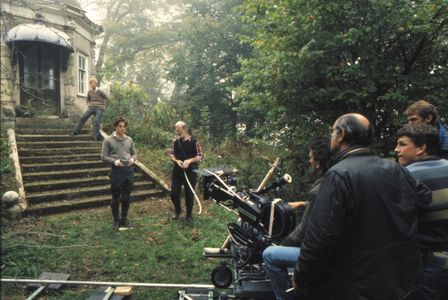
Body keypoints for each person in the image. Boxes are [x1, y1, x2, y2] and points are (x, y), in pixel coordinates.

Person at [293, 113, 431, 300]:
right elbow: (423, 197)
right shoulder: (395, 168)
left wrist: (301, 275)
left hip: (358, 284)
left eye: (332, 131)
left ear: (340, 134)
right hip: (401, 279)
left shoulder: (339, 175)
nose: (331, 136)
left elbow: (320, 238)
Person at [262, 138, 331, 300]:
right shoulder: (332, 179)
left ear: (318, 162)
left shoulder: (319, 189)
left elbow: (302, 232)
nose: (309, 160)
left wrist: (281, 244)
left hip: (318, 254)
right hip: (330, 250)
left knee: (270, 254)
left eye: (311, 157)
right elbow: (322, 205)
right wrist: (301, 203)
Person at [395, 123, 448, 300]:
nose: (396, 149)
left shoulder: (406, 176)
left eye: (402, 144)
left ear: (421, 148)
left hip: (427, 261)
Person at [101, 117, 137, 229]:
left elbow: (134, 153)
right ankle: (116, 220)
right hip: (116, 172)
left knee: (127, 196)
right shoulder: (108, 140)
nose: (122, 129)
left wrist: (132, 159)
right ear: (115, 126)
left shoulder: (129, 140)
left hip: (129, 171)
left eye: (124, 126)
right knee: (116, 196)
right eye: (120, 126)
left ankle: (124, 219)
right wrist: (115, 161)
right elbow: (103, 156)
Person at [169, 121, 204, 222]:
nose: (176, 131)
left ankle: (189, 215)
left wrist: (189, 160)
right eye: (176, 129)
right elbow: (172, 155)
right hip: (177, 171)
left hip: (191, 172)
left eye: (178, 129)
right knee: (174, 193)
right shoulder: (175, 142)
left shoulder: (194, 142)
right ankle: (177, 211)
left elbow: (200, 156)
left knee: (189, 194)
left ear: (185, 129)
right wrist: (176, 161)